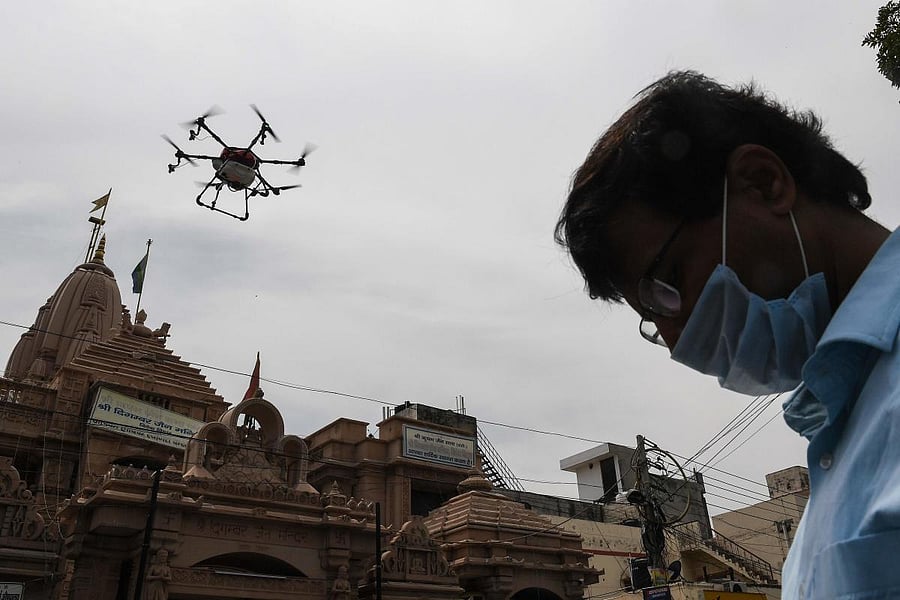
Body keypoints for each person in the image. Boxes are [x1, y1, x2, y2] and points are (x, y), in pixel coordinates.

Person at [555, 71, 898, 598]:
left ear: (764, 182)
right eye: (651, 317)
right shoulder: (840, 445)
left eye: (666, 285)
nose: (674, 341)